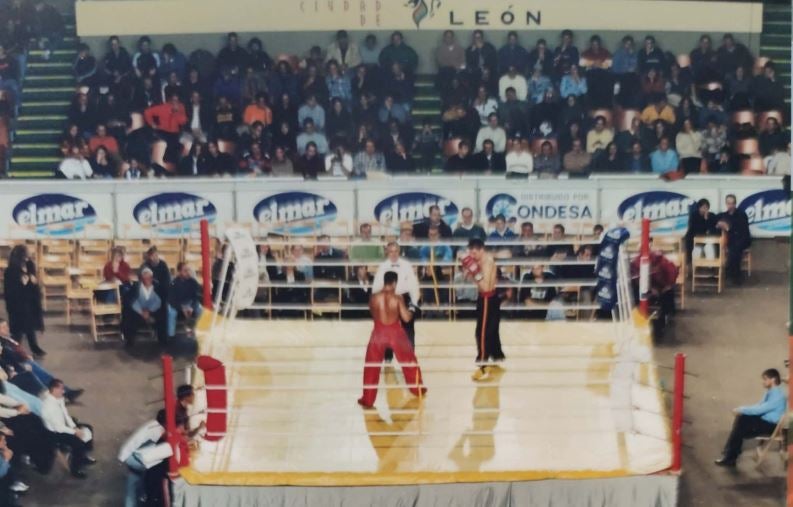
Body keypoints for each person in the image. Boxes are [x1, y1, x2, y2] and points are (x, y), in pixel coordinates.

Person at [357, 271, 424, 408]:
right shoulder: (397, 298)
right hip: (395, 332)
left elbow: (372, 314)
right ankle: (418, 389)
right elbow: (406, 318)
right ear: (394, 282)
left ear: (384, 281)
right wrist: (412, 308)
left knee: (371, 366)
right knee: (409, 360)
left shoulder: (374, 297)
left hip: (378, 333)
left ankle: (368, 399)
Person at [0, 318, 83, 402]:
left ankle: (63, 392)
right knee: (42, 375)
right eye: (3, 327)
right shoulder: (2, 343)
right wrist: (24, 360)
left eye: (6, 326)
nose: (7, 328)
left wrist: (26, 356)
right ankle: (63, 392)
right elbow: (10, 357)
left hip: (21, 362)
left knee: (42, 375)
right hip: (17, 366)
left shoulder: (7, 339)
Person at [715, 368, 785, 467]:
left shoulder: (777, 396)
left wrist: (741, 410)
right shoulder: (770, 392)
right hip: (764, 421)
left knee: (741, 423)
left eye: (765, 379)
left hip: (770, 426)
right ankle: (731, 452)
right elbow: (758, 406)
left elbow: (760, 410)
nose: (763, 382)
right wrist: (741, 409)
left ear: (773, 380)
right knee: (742, 419)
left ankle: (731, 454)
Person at [462, 238, 505, 381]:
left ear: (481, 250)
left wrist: (473, 269)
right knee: (491, 330)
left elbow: (485, 286)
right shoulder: (480, 260)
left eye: (474, 253)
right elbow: (467, 278)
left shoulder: (487, 262)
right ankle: (497, 356)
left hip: (487, 298)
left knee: (481, 333)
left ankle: (482, 365)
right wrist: (470, 269)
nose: (472, 256)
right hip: (486, 299)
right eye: (471, 253)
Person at [372, 242, 421, 361]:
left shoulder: (406, 265)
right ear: (387, 252)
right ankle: (388, 357)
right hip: (388, 298)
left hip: (404, 297)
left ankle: (410, 356)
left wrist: (414, 304)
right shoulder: (383, 267)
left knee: (408, 327)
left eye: (396, 251)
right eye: (391, 251)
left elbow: (413, 286)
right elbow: (376, 287)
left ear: (399, 252)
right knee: (387, 329)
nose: (393, 254)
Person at [41, 379, 95, 478]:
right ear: (54, 389)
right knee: (77, 443)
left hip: (64, 426)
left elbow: (65, 414)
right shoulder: (48, 407)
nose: (63, 391)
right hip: (55, 433)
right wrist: (75, 432)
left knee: (88, 428)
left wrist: (74, 426)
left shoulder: (59, 398)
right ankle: (75, 469)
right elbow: (58, 427)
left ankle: (83, 456)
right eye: (61, 389)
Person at [118, 409, 169, 507]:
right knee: (156, 470)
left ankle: (140, 496)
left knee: (133, 484)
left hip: (129, 455)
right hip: (135, 458)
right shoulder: (158, 431)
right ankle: (145, 495)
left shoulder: (153, 424)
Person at [3, 245, 45, 356]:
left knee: (30, 328)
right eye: (26, 254)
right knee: (18, 331)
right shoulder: (10, 271)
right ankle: (13, 351)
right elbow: (10, 291)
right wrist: (23, 283)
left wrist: (33, 281)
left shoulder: (30, 266)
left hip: (29, 302)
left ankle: (34, 347)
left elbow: (34, 283)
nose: (28, 256)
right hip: (17, 304)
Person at [123, 268, 164, 346]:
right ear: (141, 279)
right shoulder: (136, 287)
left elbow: (158, 301)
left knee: (162, 314)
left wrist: (149, 311)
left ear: (152, 278)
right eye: (145, 278)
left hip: (152, 311)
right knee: (129, 314)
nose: (147, 280)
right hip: (138, 312)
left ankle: (162, 340)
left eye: (149, 278)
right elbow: (132, 301)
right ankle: (130, 340)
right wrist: (141, 312)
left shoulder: (157, 286)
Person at [716, 194, 751, 285]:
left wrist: (728, 228)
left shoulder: (741, 215)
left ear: (735, 204)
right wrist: (719, 225)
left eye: (732, 203)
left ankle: (734, 276)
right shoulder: (723, 215)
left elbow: (742, 231)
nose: (730, 206)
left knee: (735, 249)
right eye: (728, 203)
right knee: (727, 246)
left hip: (742, 239)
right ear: (726, 204)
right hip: (730, 241)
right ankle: (723, 273)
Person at [168, 262, 202, 340]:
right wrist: (181, 308)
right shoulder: (173, 283)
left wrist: (192, 307)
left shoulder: (193, 282)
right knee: (171, 312)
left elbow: (197, 297)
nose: (188, 272)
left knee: (200, 310)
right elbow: (171, 300)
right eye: (185, 270)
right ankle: (171, 336)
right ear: (179, 272)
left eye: (188, 270)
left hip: (190, 303)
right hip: (178, 304)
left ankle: (200, 333)